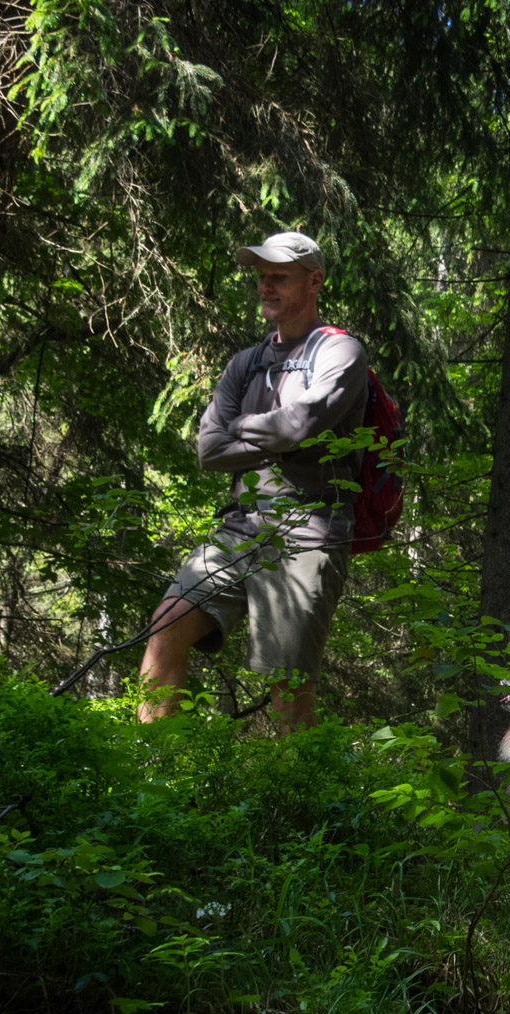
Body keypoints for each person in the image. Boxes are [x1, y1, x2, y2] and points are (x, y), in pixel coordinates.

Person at [138, 230, 367, 728]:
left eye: (278, 276)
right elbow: (209, 450)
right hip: (240, 528)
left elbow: (305, 421)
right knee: (167, 626)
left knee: (286, 686)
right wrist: (274, 431)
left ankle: (298, 802)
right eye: (261, 277)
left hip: (309, 531)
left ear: (314, 282)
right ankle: (150, 778)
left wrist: (240, 428)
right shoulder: (245, 363)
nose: (266, 286)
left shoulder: (341, 352)